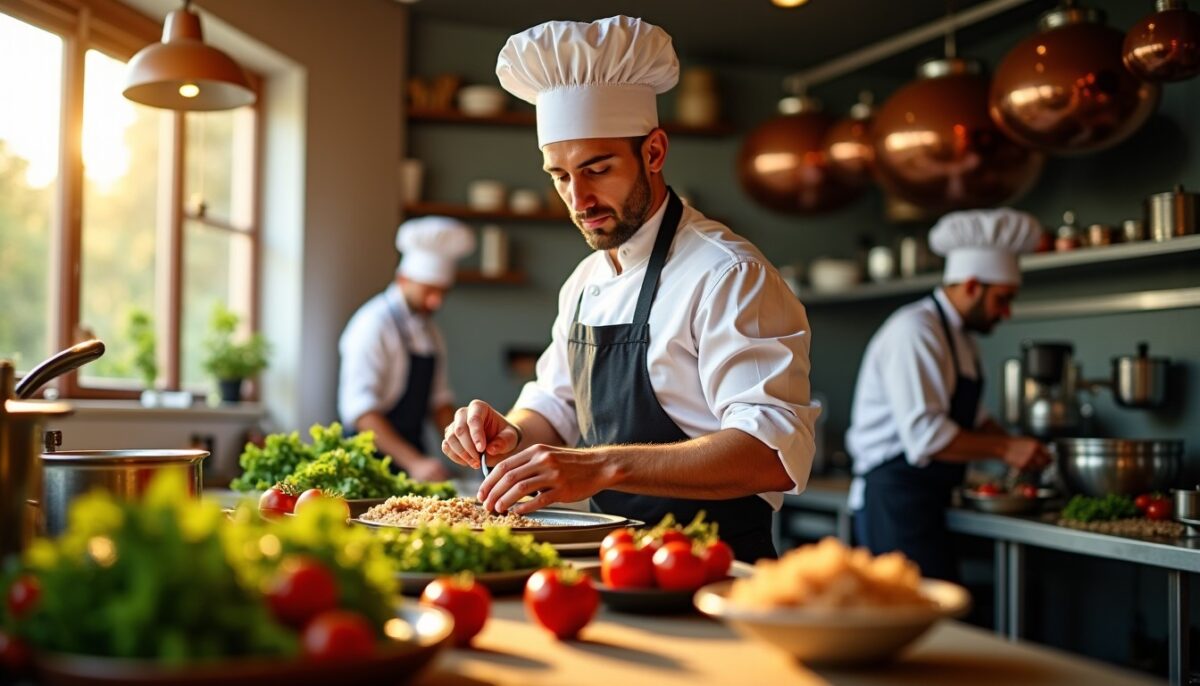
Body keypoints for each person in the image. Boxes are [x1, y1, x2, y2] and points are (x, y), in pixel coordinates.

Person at [439, 15, 819, 562]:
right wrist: (510, 436)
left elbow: (771, 453)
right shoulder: (585, 281)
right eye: (560, 176)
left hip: (715, 566)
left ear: (654, 152)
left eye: (598, 169)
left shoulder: (728, 274)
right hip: (612, 560)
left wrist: (598, 466)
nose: (579, 199)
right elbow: (556, 405)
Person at [846, 209, 1053, 581]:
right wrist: (1007, 450)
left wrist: (1018, 445)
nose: (1006, 313)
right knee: (911, 620)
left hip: (928, 499)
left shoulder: (963, 340)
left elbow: (973, 419)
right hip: (894, 499)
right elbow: (926, 437)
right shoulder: (915, 331)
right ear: (972, 285)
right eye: (1002, 299)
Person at [338, 216, 475, 482]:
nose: (435, 302)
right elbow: (361, 412)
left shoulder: (431, 332)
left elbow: (440, 403)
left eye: (442, 292)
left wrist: (469, 456)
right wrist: (415, 462)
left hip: (414, 459)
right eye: (428, 291)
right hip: (367, 462)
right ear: (403, 279)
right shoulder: (372, 324)